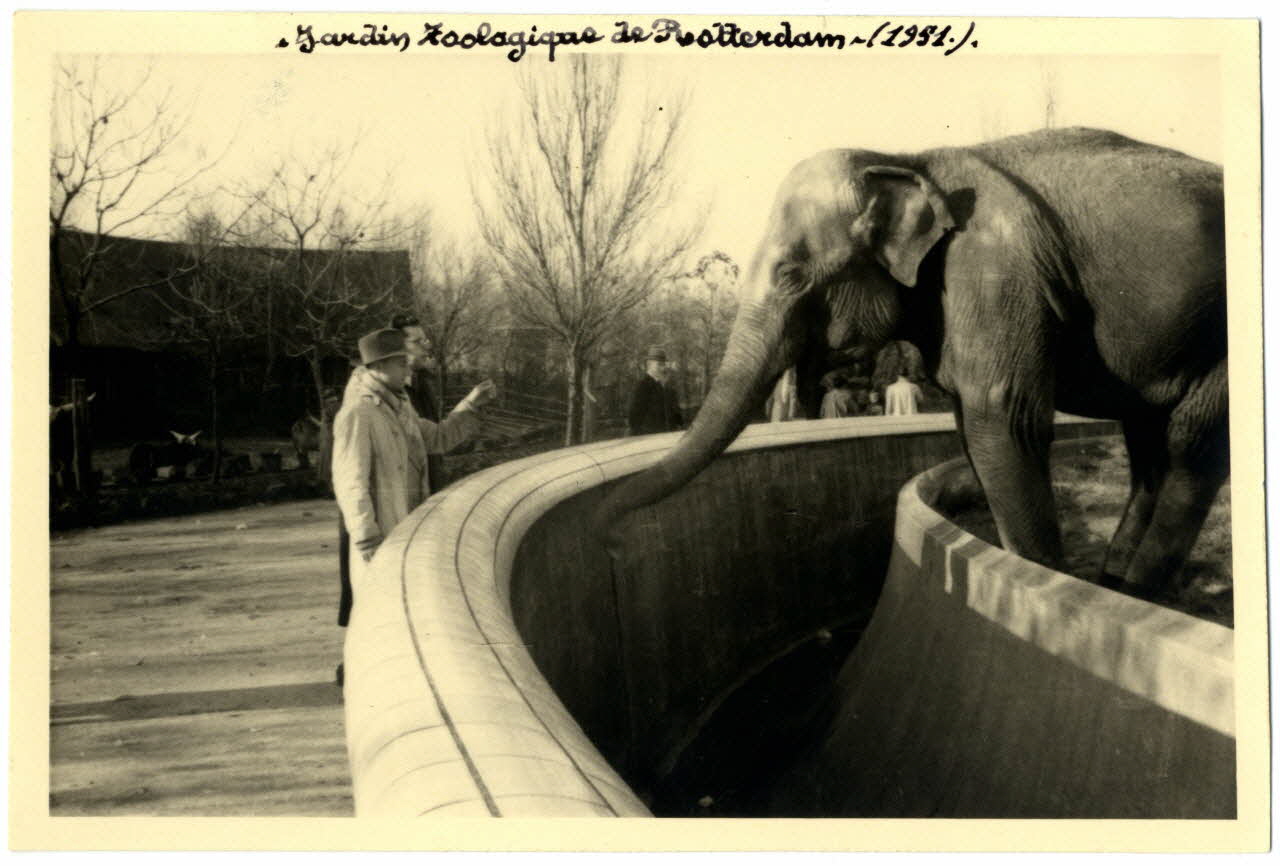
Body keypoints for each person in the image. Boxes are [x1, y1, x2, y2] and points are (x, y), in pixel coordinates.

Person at [330, 327, 496, 686]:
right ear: (380, 365)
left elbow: (436, 438)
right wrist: (366, 537)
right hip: (379, 538)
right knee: (378, 617)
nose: (409, 369)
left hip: (403, 531)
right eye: (402, 363)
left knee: (398, 617)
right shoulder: (358, 412)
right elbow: (350, 481)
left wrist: (470, 406)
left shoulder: (398, 405)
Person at [627, 346, 683, 435]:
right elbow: (634, 418)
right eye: (659, 364)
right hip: (649, 437)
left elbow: (676, 415)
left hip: (668, 437)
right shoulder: (642, 386)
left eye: (663, 365)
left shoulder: (666, 386)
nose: (662, 368)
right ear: (649, 365)